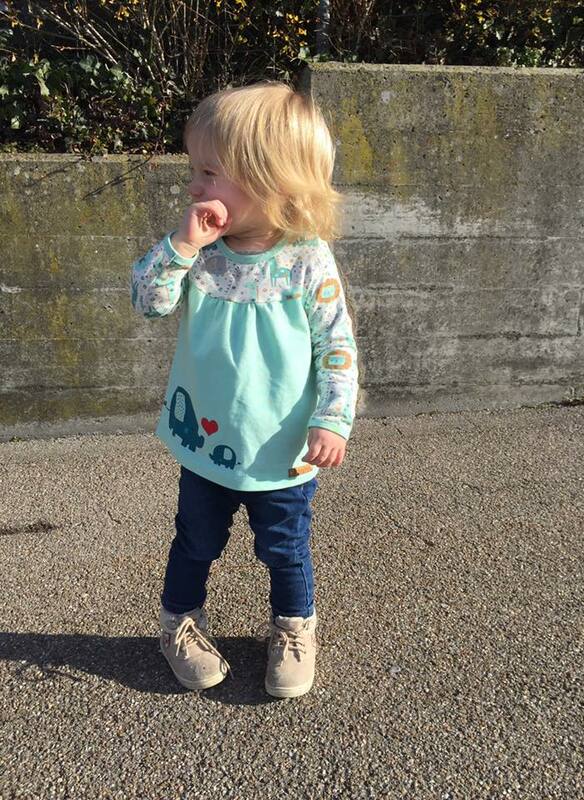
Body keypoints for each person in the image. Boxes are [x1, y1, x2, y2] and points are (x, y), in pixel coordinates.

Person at [130, 80, 359, 699]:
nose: (193, 186)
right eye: (194, 169)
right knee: (195, 541)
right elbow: (149, 301)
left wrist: (332, 418)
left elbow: (335, 346)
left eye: (208, 172)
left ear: (269, 180)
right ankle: (178, 623)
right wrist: (181, 246)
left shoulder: (308, 259)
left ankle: (294, 628)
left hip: (282, 449)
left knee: (286, 547)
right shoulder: (199, 253)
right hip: (207, 444)